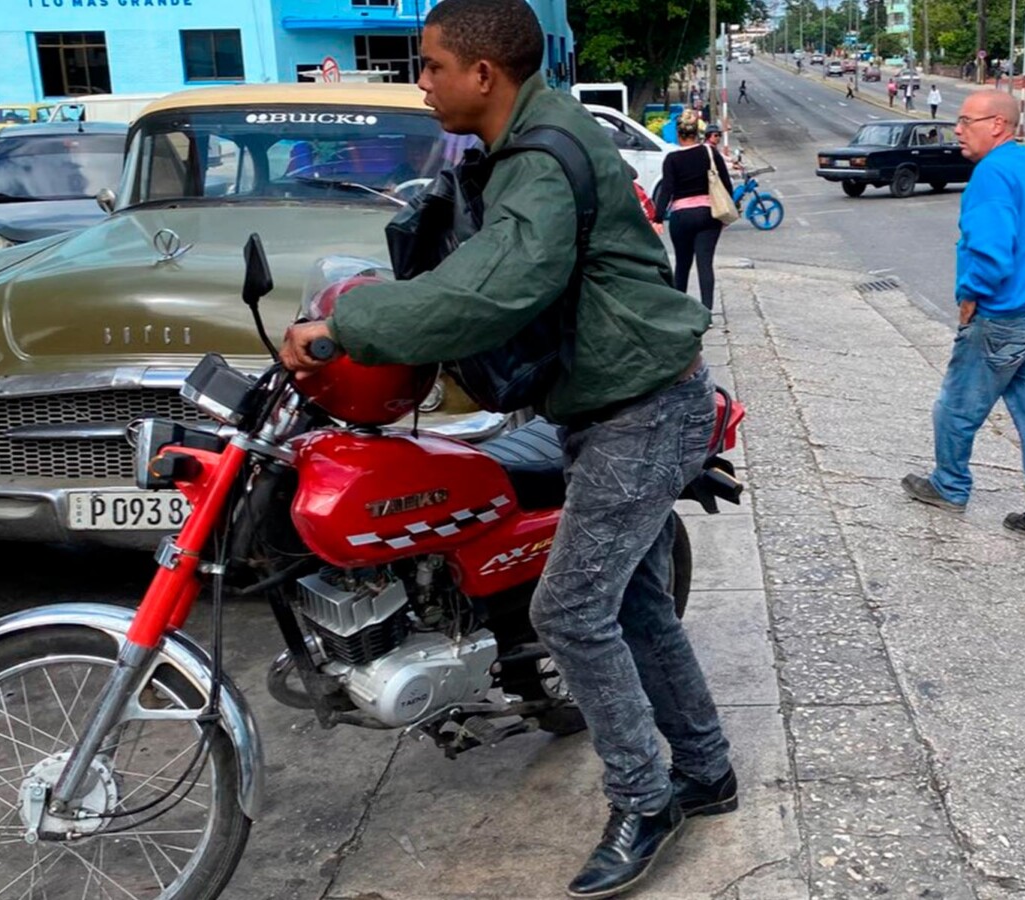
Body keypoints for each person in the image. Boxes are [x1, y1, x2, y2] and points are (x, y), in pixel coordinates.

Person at [278, 2, 736, 896]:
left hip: (641, 409)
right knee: (635, 606)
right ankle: (707, 769)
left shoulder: (542, 158)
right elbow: (465, 269)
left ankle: (648, 797)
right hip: (611, 401)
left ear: (483, 74)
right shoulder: (527, 142)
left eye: (432, 65)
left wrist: (345, 324)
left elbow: (494, 292)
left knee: (570, 611)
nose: (424, 80)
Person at [902, 90, 1025, 545]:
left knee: (957, 406)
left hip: (1002, 313)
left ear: (998, 125)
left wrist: (971, 296)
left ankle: (948, 485)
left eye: (966, 121)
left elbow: (989, 248)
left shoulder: (992, 173)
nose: (958, 130)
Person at [652, 109, 735, 312]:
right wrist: (724, 215)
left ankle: (680, 310)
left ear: (679, 135)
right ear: (697, 134)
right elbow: (726, 185)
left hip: (682, 217)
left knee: (682, 264)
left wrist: (658, 218)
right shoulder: (709, 153)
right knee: (705, 264)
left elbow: (666, 191)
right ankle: (707, 311)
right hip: (708, 215)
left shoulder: (671, 159)